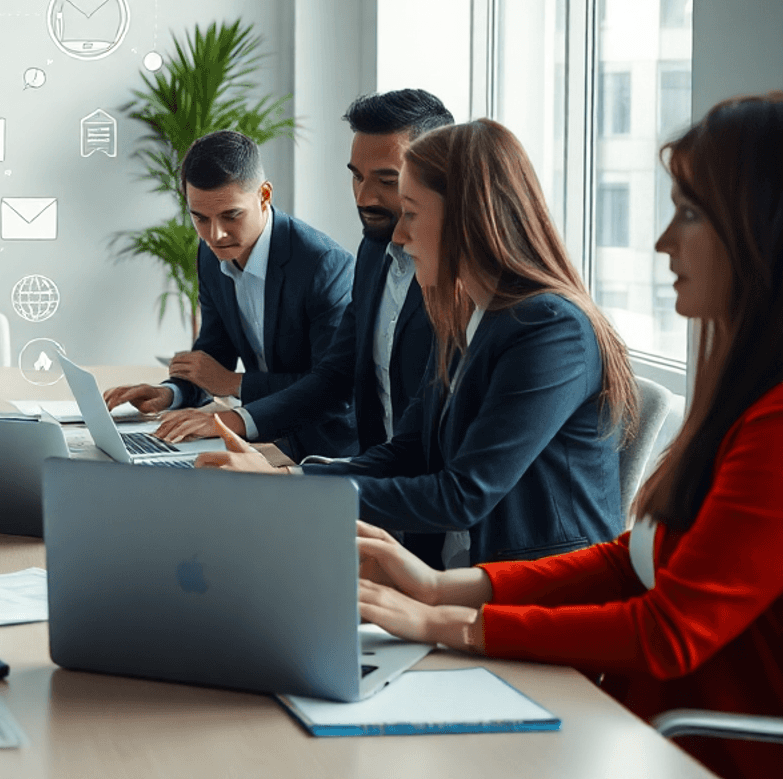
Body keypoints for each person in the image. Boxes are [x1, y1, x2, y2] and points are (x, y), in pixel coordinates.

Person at [354, 94, 783, 779]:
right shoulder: (742, 401)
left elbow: (668, 632)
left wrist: (451, 622)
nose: (663, 241)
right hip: (631, 713)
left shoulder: (774, 428)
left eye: (692, 213)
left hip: (683, 746)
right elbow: (627, 563)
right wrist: (440, 589)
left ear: (765, 230)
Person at [201, 119, 631, 567]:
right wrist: (289, 476)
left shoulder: (551, 331)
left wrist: (289, 488)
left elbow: (462, 495)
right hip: (458, 572)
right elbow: (407, 451)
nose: (400, 237)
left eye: (411, 213)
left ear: (468, 220)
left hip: (534, 597)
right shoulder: (463, 315)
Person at [186, 91, 451, 459]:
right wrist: (235, 420)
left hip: (399, 482)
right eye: (357, 177)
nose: (363, 198)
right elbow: (336, 377)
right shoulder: (374, 252)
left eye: (387, 182)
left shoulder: (468, 283)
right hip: (372, 474)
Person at [104, 130, 357, 459]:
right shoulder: (211, 255)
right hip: (260, 440)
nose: (215, 234)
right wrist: (170, 394)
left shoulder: (324, 265)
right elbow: (213, 355)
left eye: (231, 215)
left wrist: (235, 387)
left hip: (328, 449)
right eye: (200, 218)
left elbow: (332, 389)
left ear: (264, 196)